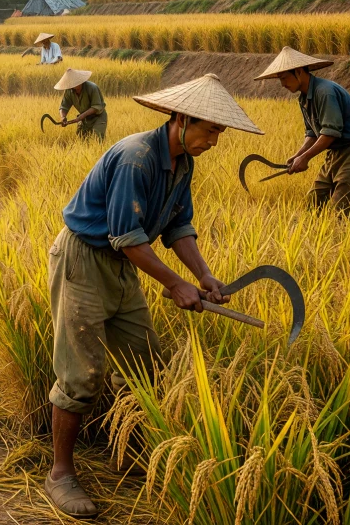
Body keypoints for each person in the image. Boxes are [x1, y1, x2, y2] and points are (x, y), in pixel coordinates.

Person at [44, 73, 263, 518]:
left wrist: (203, 275)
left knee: (149, 365)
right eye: (212, 129)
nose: (216, 141)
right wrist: (174, 283)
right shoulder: (136, 158)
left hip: (123, 265)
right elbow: (126, 235)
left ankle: (139, 452)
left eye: (221, 131)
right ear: (181, 119)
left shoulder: (183, 164)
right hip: (83, 261)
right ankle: (60, 473)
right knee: (81, 373)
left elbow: (177, 226)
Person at [255, 47, 350, 211]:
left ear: (298, 72)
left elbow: (330, 133)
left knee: (343, 210)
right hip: (335, 153)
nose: (282, 84)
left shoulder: (325, 92)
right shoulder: (304, 98)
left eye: (284, 78)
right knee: (313, 203)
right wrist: (298, 155)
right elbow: (312, 133)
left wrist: (305, 158)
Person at [56, 67, 107, 141]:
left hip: (98, 117)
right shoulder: (69, 91)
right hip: (84, 118)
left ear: (80, 81)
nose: (72, 85)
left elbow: (96, 107)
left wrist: (81, 117)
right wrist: (63, 117)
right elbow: (64, 106)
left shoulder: (92, 88)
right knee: (81, 138)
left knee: (98, 137)